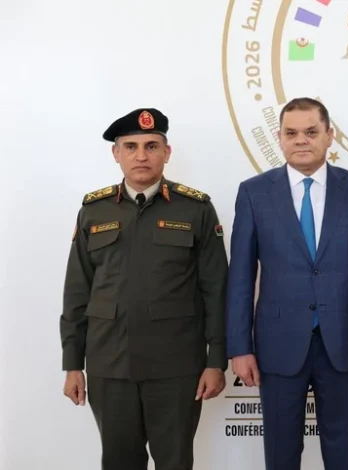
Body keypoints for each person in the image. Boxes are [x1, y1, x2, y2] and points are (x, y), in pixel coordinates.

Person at [60, 107, 229, 470]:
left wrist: (216, 361)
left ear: (167, 152)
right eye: (131, 146)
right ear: (116, 153)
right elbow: (77, 293)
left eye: (151, 146)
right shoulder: (94, 211)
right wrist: (73, 364)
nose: (141, 155)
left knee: (175, 462)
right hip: (110, 365)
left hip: (176, 367)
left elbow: (216, 291)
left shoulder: (196, 209)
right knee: (119, 462)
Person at [225, 97, 348, 470]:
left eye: (311, 132)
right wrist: (239, 347)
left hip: (342, 343)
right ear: (280, 138)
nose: (301, 140)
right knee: (281, 453)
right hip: (278, 344)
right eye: (292, 133)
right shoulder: (254, 192)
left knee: (343, 453)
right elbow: (241, 277)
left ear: (330, 136)